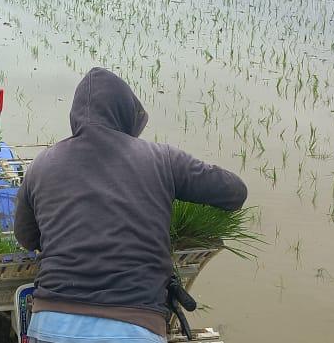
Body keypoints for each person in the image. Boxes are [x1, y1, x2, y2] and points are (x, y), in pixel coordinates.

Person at [14, 67, 247, 343]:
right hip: (135, 327)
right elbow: (235, 192)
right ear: (126, 114)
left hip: (52, 324)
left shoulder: (41, 165)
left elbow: (26, 237)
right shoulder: (161, 159)